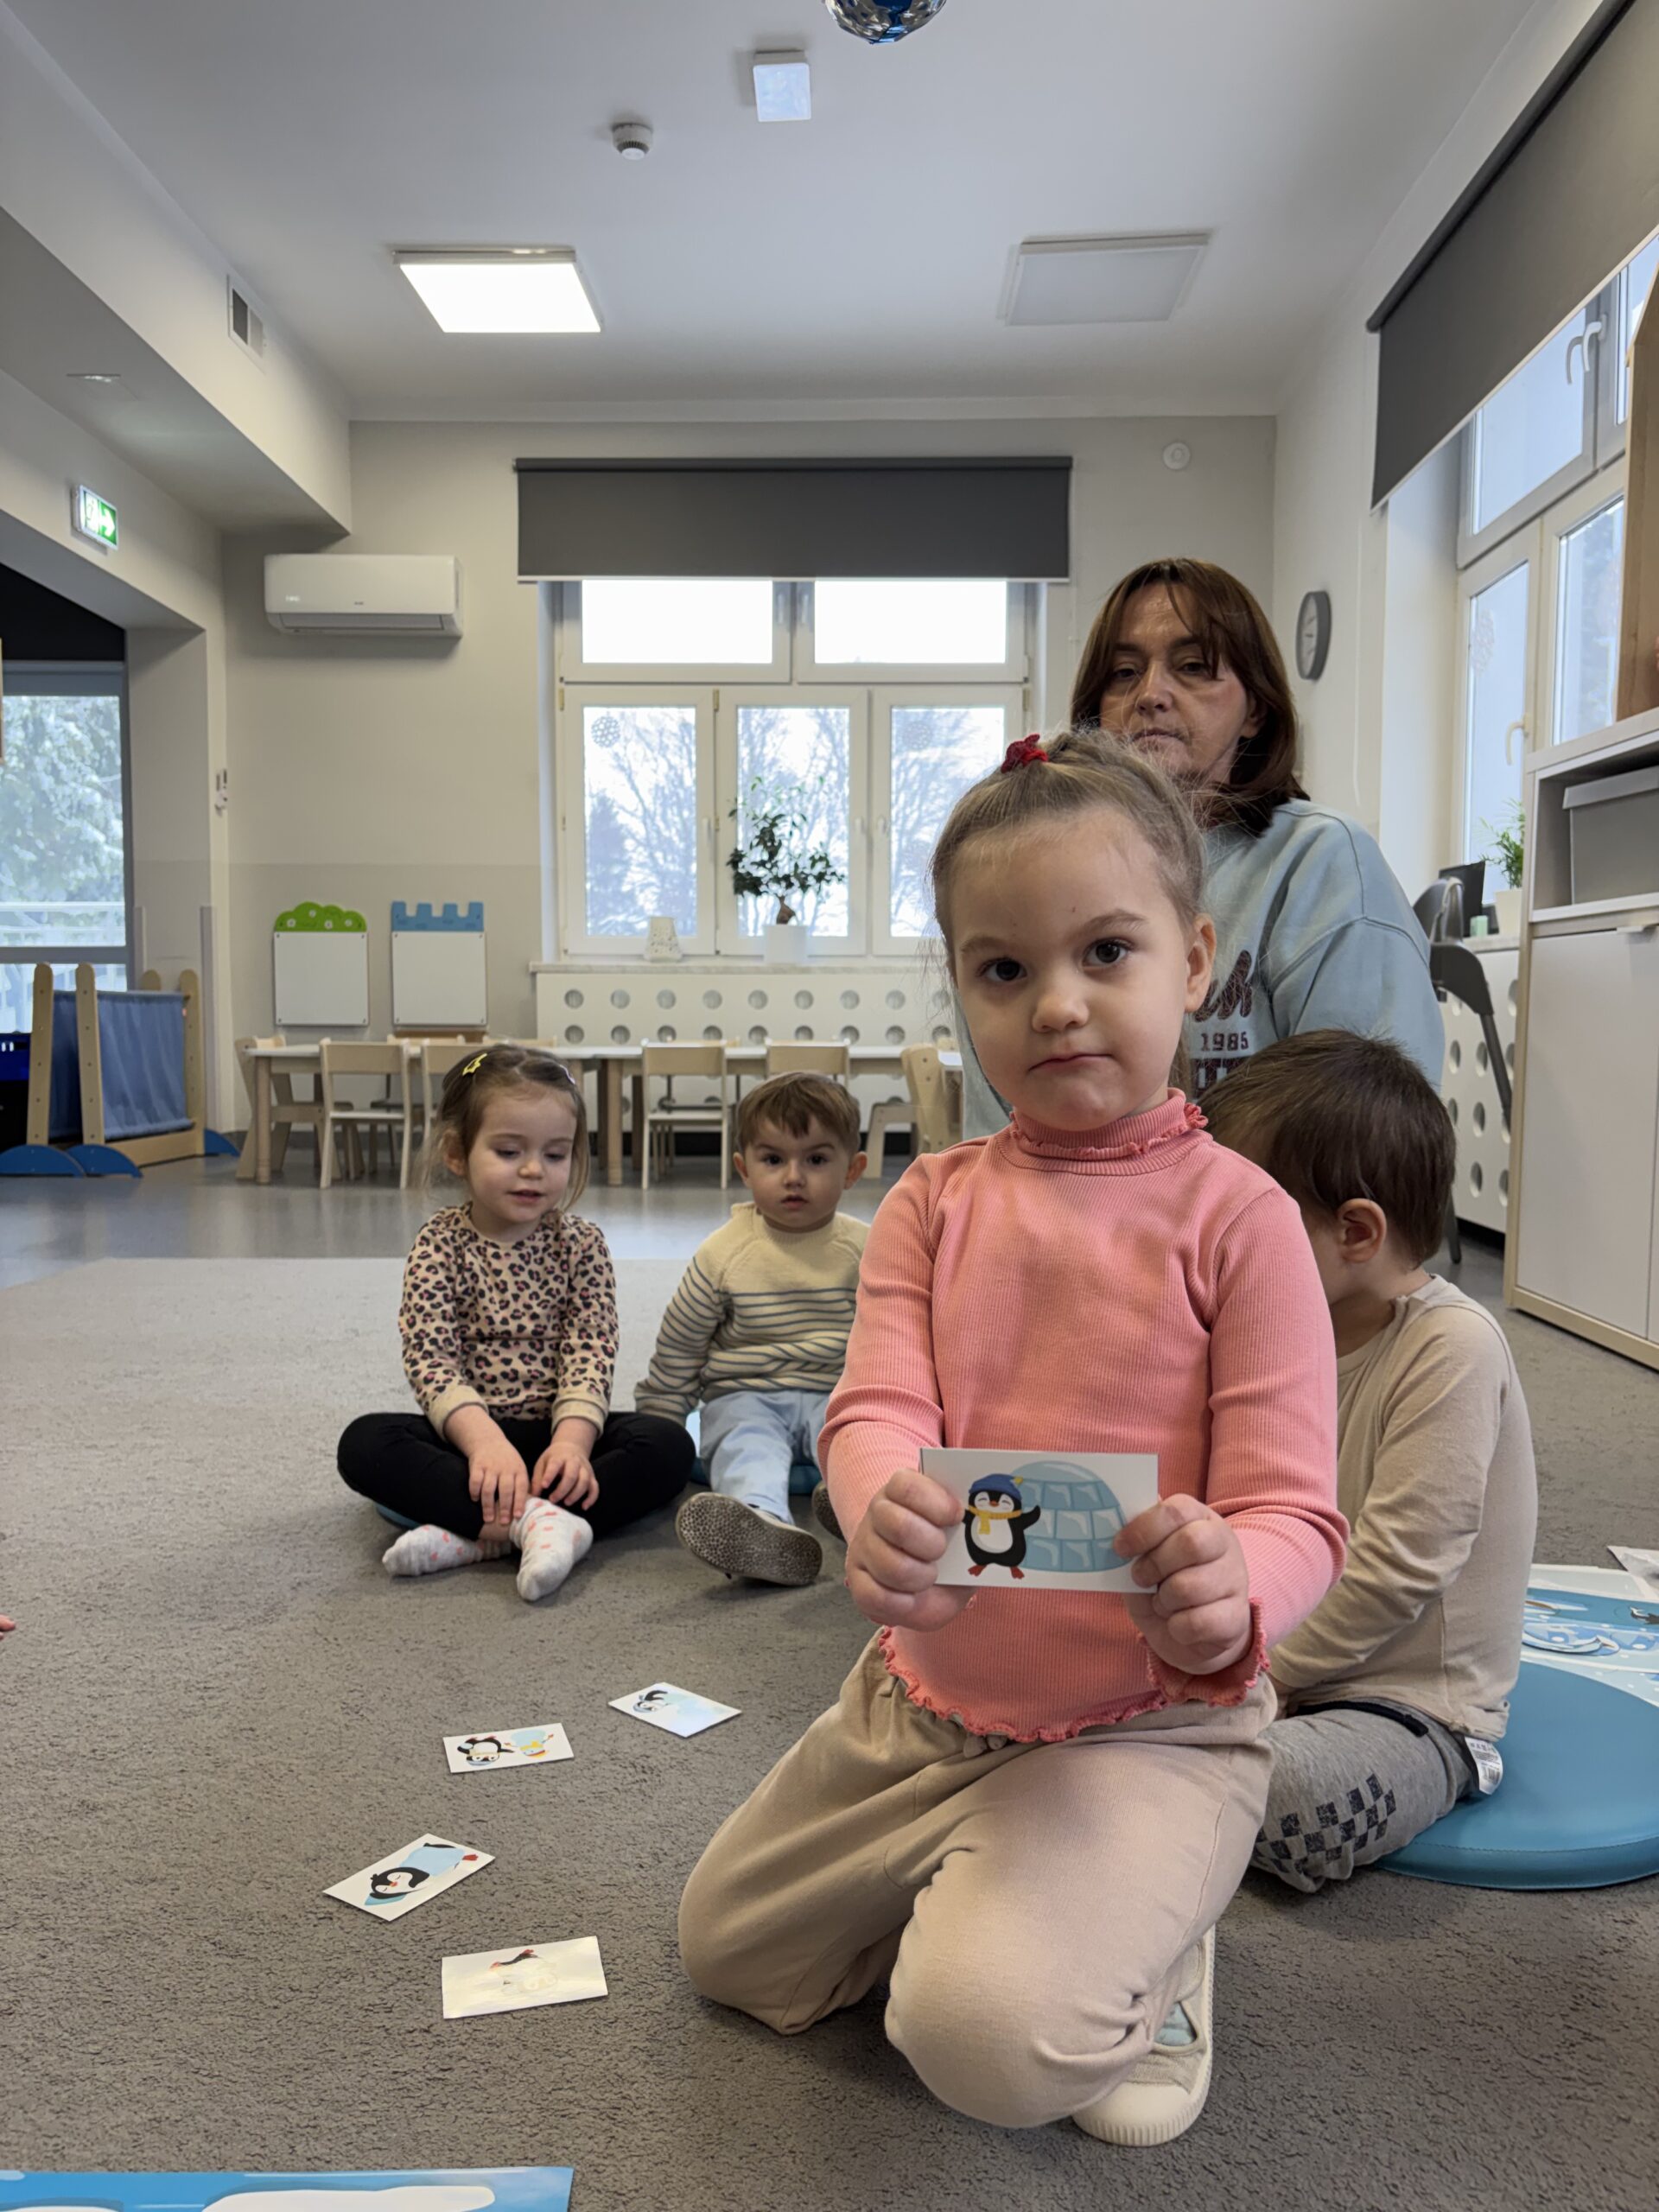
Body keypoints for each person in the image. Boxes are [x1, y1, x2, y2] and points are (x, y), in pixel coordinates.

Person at [678, 733, 1346, 2148]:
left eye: (1107, 951)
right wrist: (879, 1504)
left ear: (1195, 960)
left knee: (981, 2043)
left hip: (1154, 1723)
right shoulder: (931, 1203)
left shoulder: (1243, 1220)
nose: (1056, 1003)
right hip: (927, 1699)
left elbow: (1296, 1511)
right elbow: (878, 1411)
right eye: (1002, 969)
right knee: (728, 1951)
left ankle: (1159, 1940)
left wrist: (1235, 1583)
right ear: (961, 988)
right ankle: (1020, 1889)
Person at [1201, 1030, 1537, 1890]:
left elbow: (1398, 1569)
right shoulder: (1271, 1335)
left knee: (1284, 1795)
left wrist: (1253, 1671)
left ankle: (1182, 1770)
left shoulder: (1452, 1347)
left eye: (1238, 1228)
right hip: (1269, 1663)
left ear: (1354, 1231)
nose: (1210, 1252)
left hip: (1406, 1704)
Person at [962, 556, 1442, 1135]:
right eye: (1122, 673)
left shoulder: (1319, 862)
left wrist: (1209, 1195)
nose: (1150, 694)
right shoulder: (1028, 875)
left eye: (1193, 667)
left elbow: (1374, 1132)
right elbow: (1002, 1141)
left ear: (1255, 709)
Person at [337, 1045, 691, 1601]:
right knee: (364, 1444)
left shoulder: (581, 1245)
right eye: (508, 1151)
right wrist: (483, 1443)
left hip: (557, 1439)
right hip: (468, 1442)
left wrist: (573, 1444)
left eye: (556, 1154)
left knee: (668, 1444)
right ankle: (540, 1524)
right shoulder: (439, 1244)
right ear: (457, 1153)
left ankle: (479, 1535)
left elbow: (591, 1351)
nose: (533, 1170)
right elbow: (431, 1359)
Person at [638, 1071, 868, 1588]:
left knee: (862, 1442)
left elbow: (894, 1334)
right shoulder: (723, 1254)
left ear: (853, 1170)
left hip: (838, 1391)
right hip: (747, 1392)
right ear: (744, 1168)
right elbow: (681, 1345)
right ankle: (762, 1526)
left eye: (816, 1160)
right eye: (773, 1160)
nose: (793, 1177)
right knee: (746, 1446)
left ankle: (862, 1513)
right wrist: (661, 1426)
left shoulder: (868, 1249)